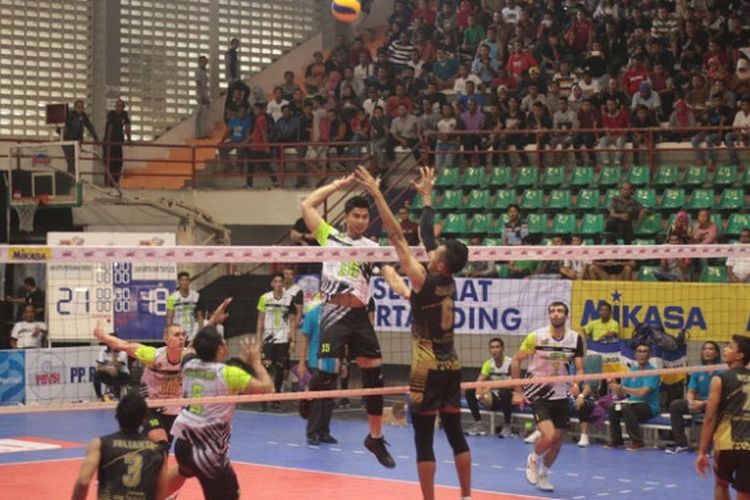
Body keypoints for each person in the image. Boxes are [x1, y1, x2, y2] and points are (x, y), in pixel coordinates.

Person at [355, 165, 471, 500]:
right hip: (452, 366)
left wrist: (377, 194)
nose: (433, 248)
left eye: (437, 252)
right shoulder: (447, 280)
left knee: (424, 441)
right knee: (456, 436)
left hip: (427, 370)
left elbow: (396, 237)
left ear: (439, 264)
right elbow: (427, 237)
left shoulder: (423, 279)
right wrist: (427, 197)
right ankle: (466, 495)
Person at [300, 180, 395, 468]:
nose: (361, 221)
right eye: (356, 215)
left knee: (375, 377)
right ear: (346, 216)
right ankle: (309, 395)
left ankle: (375, 438)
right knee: (327, 371)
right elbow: (307, 205)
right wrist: (336, 185)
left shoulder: (372, 247)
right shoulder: (329, 236)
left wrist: (402, 288)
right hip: (332, 315)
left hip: (359, 318)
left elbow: (388, 270)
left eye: (365, 216)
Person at [92, 300, 230, 454]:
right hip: (151, 407)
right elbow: (124, 345)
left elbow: (202, 335)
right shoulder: (153, 356)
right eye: (176, 335)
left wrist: (214, 318)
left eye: (183, 335)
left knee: (162, 452)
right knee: (160, 443)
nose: (181, 338)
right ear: (166, 339)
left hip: (175, 409)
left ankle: (145, 458)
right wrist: (101, 335)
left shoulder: (187, 356)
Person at [172, 327, 274, 500]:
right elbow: (268, 388)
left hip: (182, 443)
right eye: (224, 342)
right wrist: (256, 361)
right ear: (219, 348)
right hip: (207, 450)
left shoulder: (188, 363)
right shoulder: (227, 374)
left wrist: (208, 327)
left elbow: (190, 349)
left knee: (182, 472)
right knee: (231, 495)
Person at [512, 302, 585, 493]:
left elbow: (579, 368)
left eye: (559, 311)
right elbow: (516, 360)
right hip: (539, 393)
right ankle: (534, 458)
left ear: (566, 316)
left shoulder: (575, 339)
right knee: (549, 435)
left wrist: (576, 383)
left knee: (558, 442)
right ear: (549, 315)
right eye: (552, 311)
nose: (555, 314)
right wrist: (518, 390)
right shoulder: (536, 336)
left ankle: (544, 474)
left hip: (561, 395)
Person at [71, 392, 171, 500]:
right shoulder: (158, 452)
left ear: (116, 416)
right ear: (144, 420)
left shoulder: (99, 444)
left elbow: (83, 481)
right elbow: (160, 496)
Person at [695, 335, 750, 500]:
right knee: (745, 492)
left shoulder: (719, 379)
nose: (724, 349)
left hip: (725, 444)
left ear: (739, 355)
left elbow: (709, 417)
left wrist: (702, 452)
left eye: (730, 347)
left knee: (721, 484)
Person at [666, 341, 722, 454]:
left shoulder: (723, 370)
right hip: (699, 403)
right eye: (705, 349)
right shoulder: (698, 370)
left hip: (717, 403)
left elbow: (723, 395)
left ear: (716, 353)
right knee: (675, 405)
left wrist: (704, 403)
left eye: (711, 349)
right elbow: (691, 391)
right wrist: (691, 402)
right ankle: (682, 444)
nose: (707, 351)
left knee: (718, 408)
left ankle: (711, 447)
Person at [605, 343, 661, 451]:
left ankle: (637, 441)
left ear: (649, 355)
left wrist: (622, 388)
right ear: (635, 355)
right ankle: (617, 440)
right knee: (613, 407)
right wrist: (613, 385)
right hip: (631, 404)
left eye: (645, 351)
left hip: (648, 406)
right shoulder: (632, 371)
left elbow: (642, 393)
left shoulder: (653, 372)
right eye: (639, 351)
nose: (642, 354)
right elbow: (622, 393)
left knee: (626, 408)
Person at [299, 297, 339, 445]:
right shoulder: (312, 314)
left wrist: (342, 362)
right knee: (317, 400)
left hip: (333, 362)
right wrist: (302, 362)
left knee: (328, 400)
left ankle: (324, 433)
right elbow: (305, 340)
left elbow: (339, 340)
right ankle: (312, 433)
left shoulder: (338, 315)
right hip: (316, 362)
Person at [256, 272, 297, 409]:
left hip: (283, 339)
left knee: (280, 370)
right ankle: (263, 400)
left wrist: (293, 341)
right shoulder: (264, 298)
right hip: (268, 339)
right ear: (272, 284)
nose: (278, 284)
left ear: (283, 283)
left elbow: (292, 321)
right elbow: (260, 320)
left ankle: (276, 399)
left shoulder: (289, 299)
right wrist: (258, 341)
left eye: (281, 281)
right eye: (276, 281)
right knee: (265, 369)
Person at [465, 337, 513, 438]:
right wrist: (480, 392)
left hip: (508, 398)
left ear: (503, 348)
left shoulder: (510, 363)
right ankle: (479, 424)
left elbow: (510, 384)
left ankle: (507, 425)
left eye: (497, 347)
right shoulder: (488, 364)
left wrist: (490, 386)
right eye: (492, 347)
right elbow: (479, 381)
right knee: (470, 391)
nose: (495, 350)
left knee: (504, 392)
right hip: (493, 399)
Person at [62, 99, 99, 176]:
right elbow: (63, 125)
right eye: (78, 107)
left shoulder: (84, 116)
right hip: (67, 141)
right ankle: (74, 176)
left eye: (82, 107)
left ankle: (71, 176)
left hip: (77, 142)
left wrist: (96, 138)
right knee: (70, 161)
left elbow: (90, 126)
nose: (80, 109)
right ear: (75, 108)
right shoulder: (70, 114)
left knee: (73, 161)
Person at [166, 271, 204, 342]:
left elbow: (200, 316)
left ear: (189, 281)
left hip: (192, 332)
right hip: (178, 331)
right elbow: (169, 318)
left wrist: (201, 332)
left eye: (186, 280)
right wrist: (170, 333)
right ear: (179, 282)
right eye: (182, 280)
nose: (184, 282)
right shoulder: (172, 298)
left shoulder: (196, 296)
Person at [103, 98, 131, 187]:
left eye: (120, 106)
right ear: (115, 106)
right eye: (117, 105)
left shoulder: (124, 114)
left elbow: (127, 127)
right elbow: (110, 127)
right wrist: (108, 141)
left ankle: (115, 182)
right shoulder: (111, 114)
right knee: (108, 163)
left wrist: (129, 139)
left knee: (118, 162)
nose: (119, 107)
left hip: (118, 142)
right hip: (109, 142)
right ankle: (108, 183)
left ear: (123, 107)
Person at [194, 55, 211, 139]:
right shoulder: (198, 71)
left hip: (205, 93)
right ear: (199, 62)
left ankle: (203, 133)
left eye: (205, 61)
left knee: (204, 115)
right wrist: (203, 96)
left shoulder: (204, 72)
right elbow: (199, 84)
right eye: (201, 61)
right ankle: (200, 134)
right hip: (201, 95)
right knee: (201, 115)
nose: (203, 63)